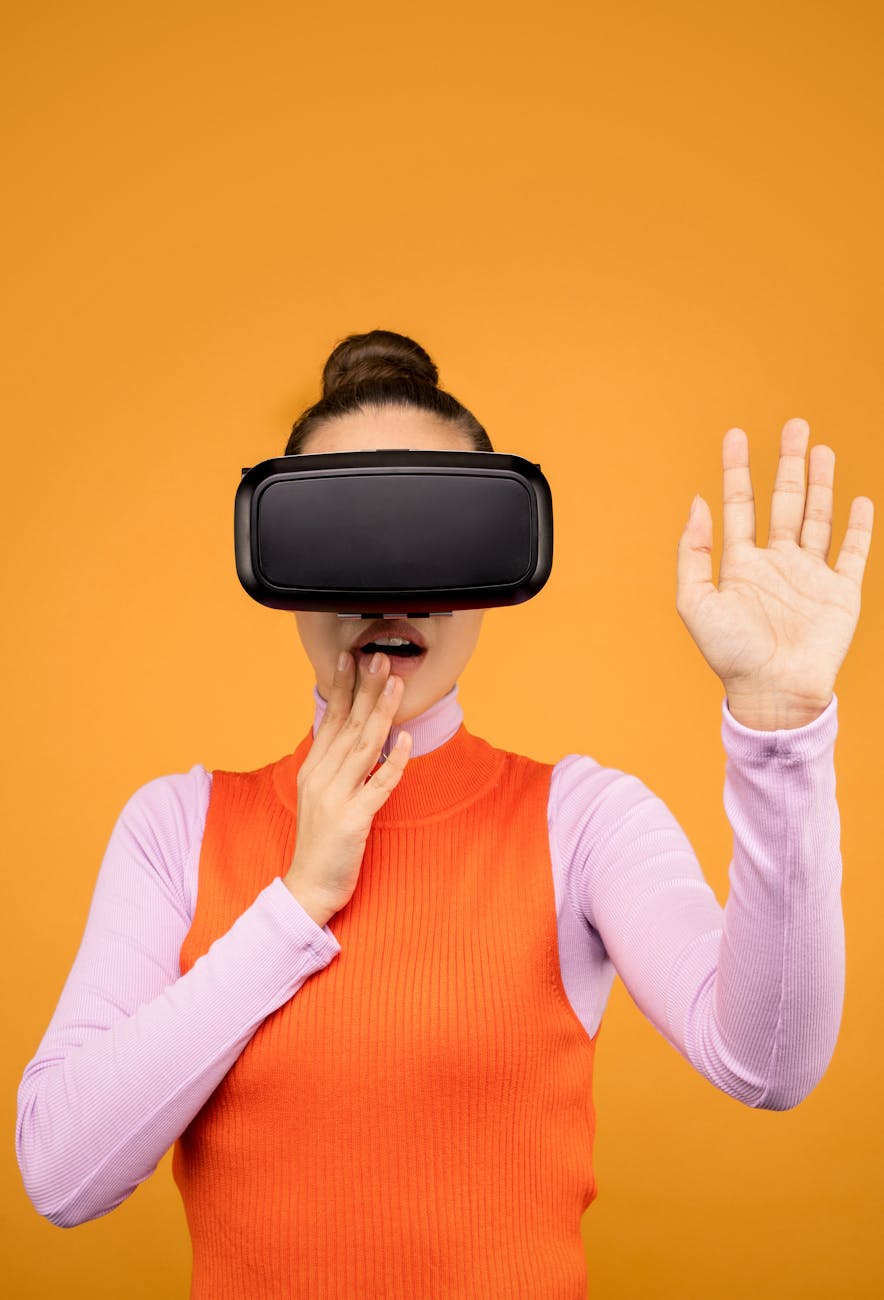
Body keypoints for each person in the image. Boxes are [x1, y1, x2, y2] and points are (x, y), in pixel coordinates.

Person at [16, 329, 875, 1299]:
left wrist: (777, 729)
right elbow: (59, 1173)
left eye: (430, 530)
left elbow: (766, 1065)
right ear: (277, 562)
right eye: (344, 533)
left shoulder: (581, 819)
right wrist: (296, 902)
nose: (393, 582)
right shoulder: (174, 825)